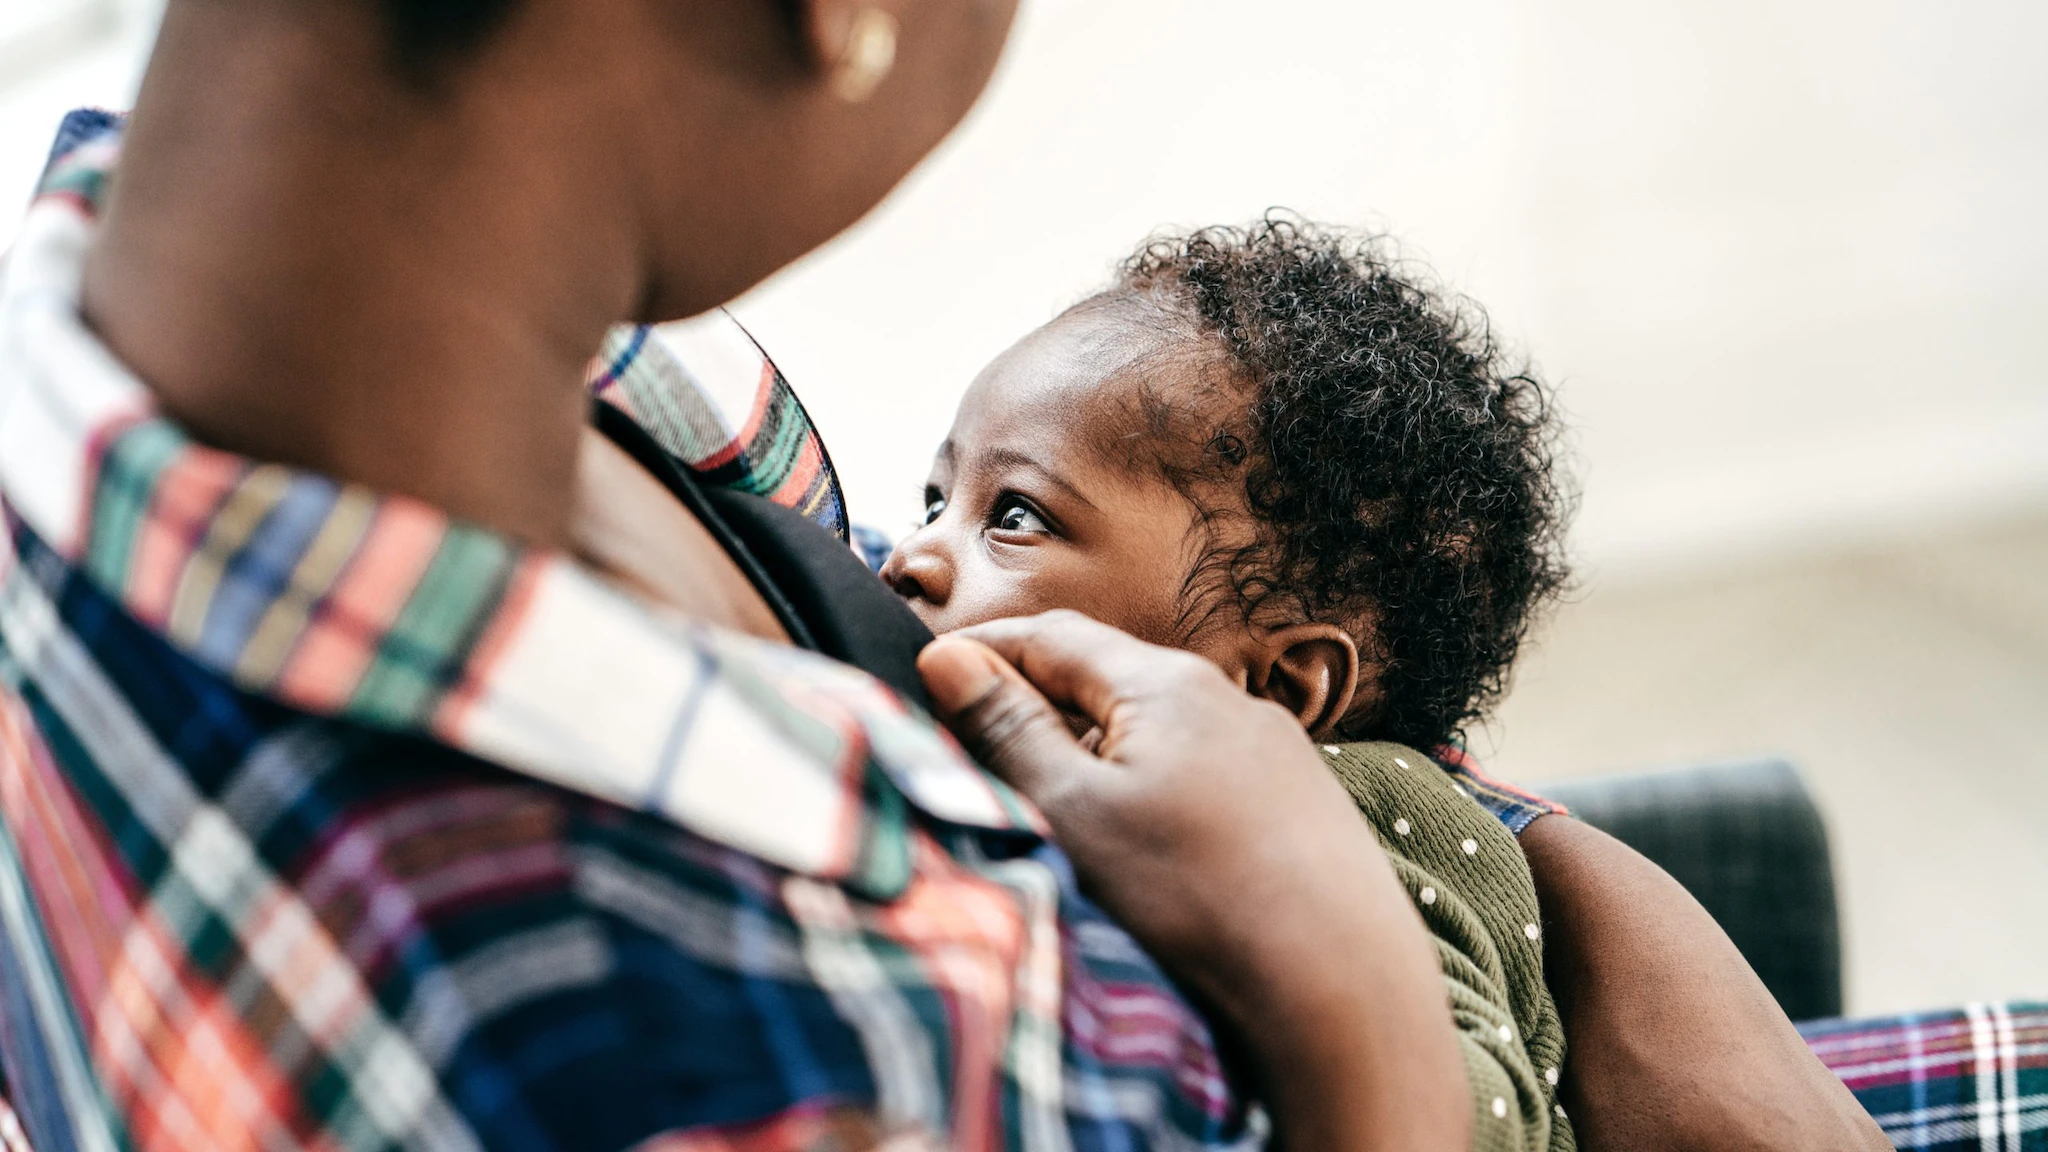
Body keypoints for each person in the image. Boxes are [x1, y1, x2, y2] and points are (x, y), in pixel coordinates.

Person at [0, 2, 1887, 1152]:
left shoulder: (283, 304)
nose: (920, 552)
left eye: (1002, 511)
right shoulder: (710, 1053)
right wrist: (1348, 998)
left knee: (1760, 849)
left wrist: (1568, 873)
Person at [884, 218, 1578, 1149]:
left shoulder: (1365, 813)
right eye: (937, 500)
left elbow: (1488, 1122)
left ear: (1278, 692)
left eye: (1013, 515)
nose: (912, 555)